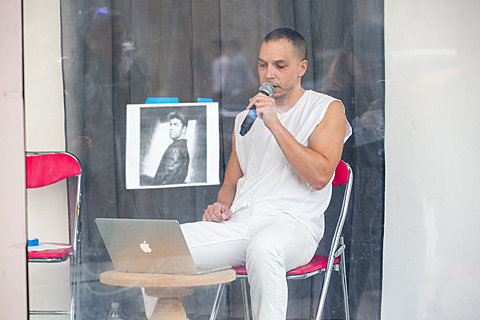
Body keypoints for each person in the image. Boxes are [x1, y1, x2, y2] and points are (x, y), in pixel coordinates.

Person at [181, 28, 352, 319]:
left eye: (280, 66)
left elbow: (321, 175)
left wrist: (274, 123)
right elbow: (231, 184)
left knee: (264, 247)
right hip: (241, 223)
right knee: (165, 248)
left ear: (301, 68)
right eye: (262, 65)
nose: (269, 74)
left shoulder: (326, 109)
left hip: (293, 226)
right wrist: (221, 206)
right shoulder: (244, 119)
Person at [152, 111, 190, 184]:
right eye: (171, 124)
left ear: (184, 129)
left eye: (175, 125)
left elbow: (165, 180)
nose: (171, 128)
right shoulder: (182, 147)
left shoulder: (175, 149)